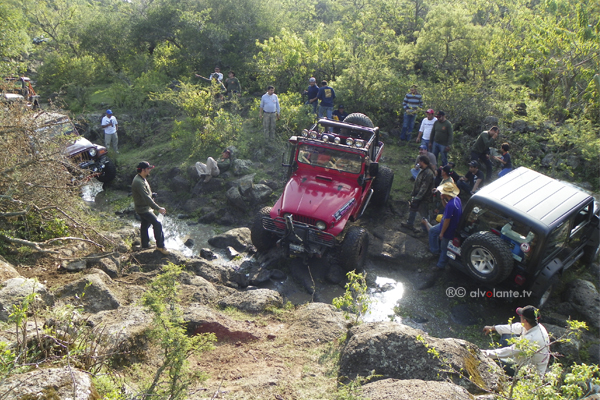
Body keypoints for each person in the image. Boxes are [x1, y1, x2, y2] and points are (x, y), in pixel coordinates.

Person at [482, 306, 550, 376]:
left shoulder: (531, 339)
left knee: (496, 360)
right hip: (523, 357)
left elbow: (510, 351)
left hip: (528, 372)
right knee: (507, 335)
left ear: (525, 320)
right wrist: (493, 328)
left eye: (521, 316)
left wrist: (485, 353)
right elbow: (515, 327)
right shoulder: (537, 326)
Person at [132, 161, 169, 255]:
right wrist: (158, 208)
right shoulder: (138, 181)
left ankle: (145, 244)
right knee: (157, 224)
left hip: (144, 207)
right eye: (148, 169)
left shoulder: (142, 178)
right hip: (143, 209)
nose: (149, 171)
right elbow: (146, 198)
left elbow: (145, 194)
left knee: (145, 224)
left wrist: (152, 194)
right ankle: (160, 246)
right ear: (143, 170)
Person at [423, 182, 462, 272]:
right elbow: (446, 207)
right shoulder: (456, 199)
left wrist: (442, 233)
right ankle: (434, 250)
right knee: (432, 231)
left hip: (448, 228)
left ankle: (440, 265)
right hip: (446, 224)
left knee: (444, 248)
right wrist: (442, 200)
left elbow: (447, 220)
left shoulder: (451, 205)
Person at [402, 155, 435, 234]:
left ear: (422, 162)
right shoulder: (423, 170)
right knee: (413, 209)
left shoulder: (429, 173)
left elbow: (424, 187)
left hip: (424, 197)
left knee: (424, 214)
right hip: (418, 195)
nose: (418, 163)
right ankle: (409, 223)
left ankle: (424, 230)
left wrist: (417, 198)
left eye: (419, 161)